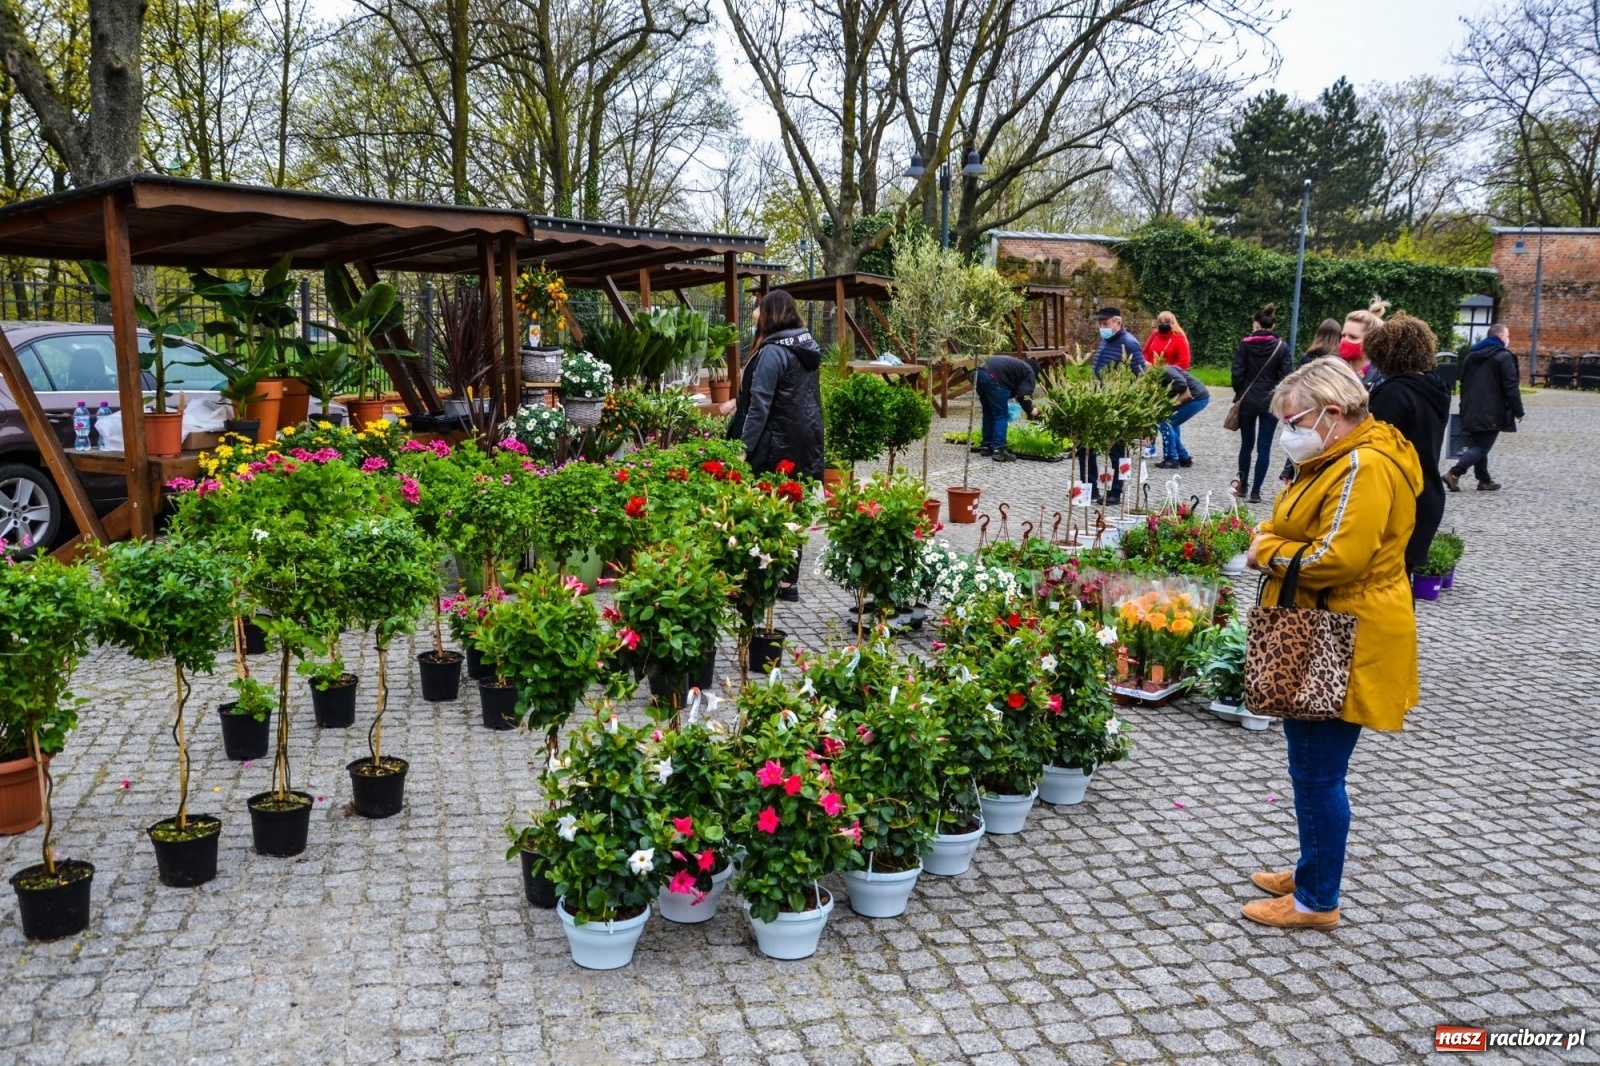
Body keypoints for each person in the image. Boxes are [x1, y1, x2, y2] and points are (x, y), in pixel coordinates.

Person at [1243, 358, 1421, 930]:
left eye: (1294, 420)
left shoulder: (1363, 466)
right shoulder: (1336, 456)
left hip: (1342, 632)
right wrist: (1271, 535)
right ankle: (1312, 867)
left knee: (1318, 771)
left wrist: (1261, 552)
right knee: (1311, 765)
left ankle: (1316, 901)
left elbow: (1336, 557)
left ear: (1334, 413)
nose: (1287, 432)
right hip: (1328, 624)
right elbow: (1304, 530)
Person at [734, 290, 824, 599]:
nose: (755, 314)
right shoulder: (805, 345)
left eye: (760, 308)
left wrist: (743, 448)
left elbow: (760, 405)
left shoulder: (774, 351)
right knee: (792, 509)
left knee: (766, 509)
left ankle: (762, 580)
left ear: (770, 314)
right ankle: (788, 583)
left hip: (775, 442)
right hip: (805, 439)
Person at [1364, 316, 1450, 572]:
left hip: (1399, 501)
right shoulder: (1435, 389)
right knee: (1400, 586)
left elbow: (1373, 446)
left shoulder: (1394, 393)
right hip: (1427, 494)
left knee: (1384, 586)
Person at [1446, 322, 1524, 492]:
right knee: (1482, 446)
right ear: (1501, 337)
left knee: (1479, 443)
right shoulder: (1503, 357)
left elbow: (1463, 383)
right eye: (1508, 336)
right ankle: (1454, 473)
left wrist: (1463, 406)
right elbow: (1510, 386)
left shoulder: (1471, 356)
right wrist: (1518, 411)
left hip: (1471, 407)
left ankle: (1484, 480)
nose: (1508, 339)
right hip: (1492, 410)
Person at [1230, 303, 1291, 503]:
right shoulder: (1281, 347)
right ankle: (1256, 491)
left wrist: (1240, 391)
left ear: (1256, 324)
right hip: (1270, 402)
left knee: (1246, 445)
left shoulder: (1245, 344)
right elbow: (1286, 376)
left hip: (1248, 400)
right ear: (1272, 326)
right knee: (1264, 447)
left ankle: (1243, 485)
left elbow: (1237, 373)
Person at [1085, 307, 1146, 504]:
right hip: (1098, 400)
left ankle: (1116, 492)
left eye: (1106, 324)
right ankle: (1090, 488)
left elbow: (1140, 375)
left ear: (1117, 323)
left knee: (1117, 451)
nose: (1102, 328)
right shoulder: (1106, 340)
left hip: (1117, 404)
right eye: (1100, 324)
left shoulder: (1129, 343)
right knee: (1087, 447)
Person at [973, 354, 1040, 462]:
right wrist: (1031, 410)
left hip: (979, 374)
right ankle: (999, 449)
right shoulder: (1029, 372)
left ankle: (986, 445)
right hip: (994, 378)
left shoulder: (1018, 365)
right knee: (1001, 414)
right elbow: (1023, 395)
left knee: (988, 412)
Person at [1156, 365, 1209, 468]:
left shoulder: (1164, 370)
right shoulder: (1161, 372)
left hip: (1196, 397)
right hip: (1197, 396)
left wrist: (1165, 395)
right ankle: (1183, 457)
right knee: (1173, 424)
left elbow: (1181, 384)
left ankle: (1171, 458)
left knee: (1165, 423)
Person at [1339, 299, 1389, 385]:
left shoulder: (1383, 382)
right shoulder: (1336, 372)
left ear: (1371, 342)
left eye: (1353, 337)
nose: (1345, 341)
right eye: (1343, 335)